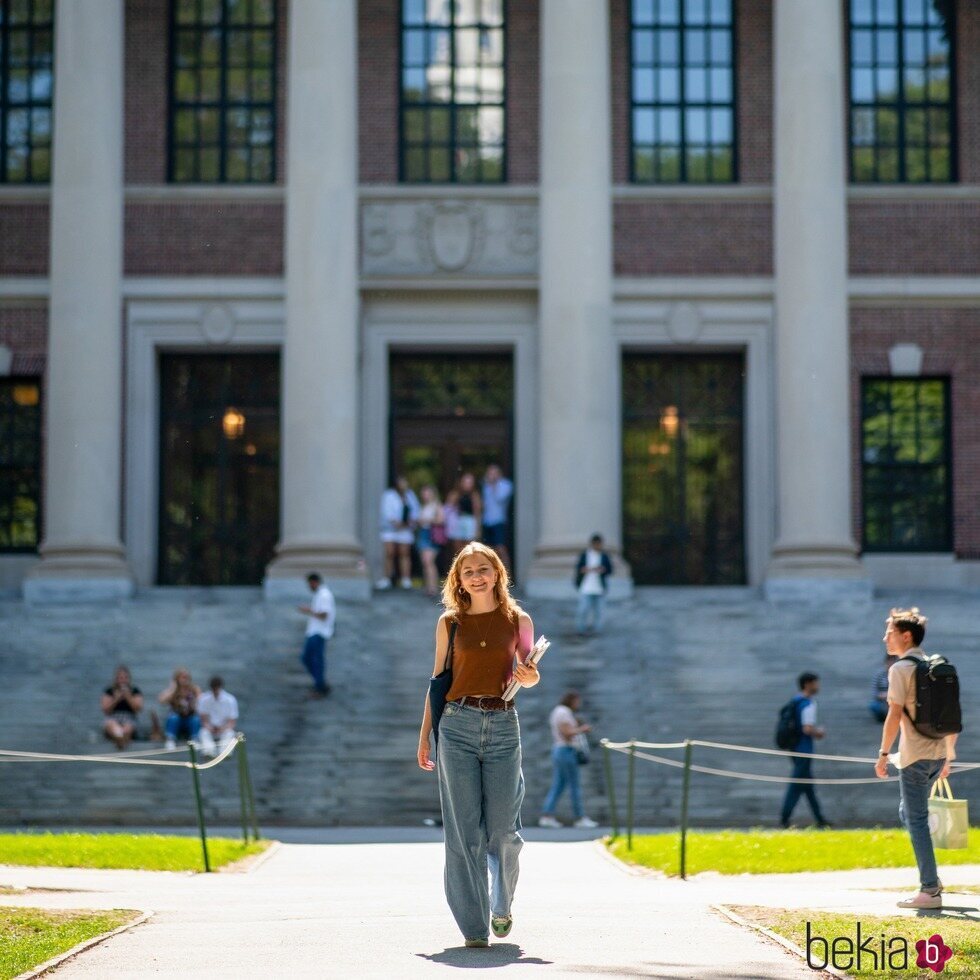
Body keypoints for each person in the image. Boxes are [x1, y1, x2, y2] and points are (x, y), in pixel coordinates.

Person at [417, 542, 540, 948]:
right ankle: (473, 928)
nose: (477, 576)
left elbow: (530, 674)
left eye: (483, 568)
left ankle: (501, 903)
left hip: (504, 725)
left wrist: (527, 676)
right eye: (468, 571)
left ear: (497, 573)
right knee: (463, 832)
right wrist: (425, 736)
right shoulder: (449, 623)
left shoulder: (517, 619)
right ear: (458, 579)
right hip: (456, 726)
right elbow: (438, 683)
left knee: (504, 830)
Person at [875, 607, 958, 909]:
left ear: (905, 636)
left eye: (890, 632)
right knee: (908, 814)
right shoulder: (934, 665)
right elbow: (951, 714)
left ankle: (929, 890)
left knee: (917, 819)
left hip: (914, 758)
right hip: (936, 755)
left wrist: (883, 753)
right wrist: (949, 754)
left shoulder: (900, 669)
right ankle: (931, 876)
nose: (885, 637)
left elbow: (894, 714)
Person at [538, 691, 598, 829]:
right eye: (577, 701)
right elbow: (567, 733)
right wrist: (582, 728)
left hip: (560, 751)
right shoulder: (563, 712)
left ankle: (547, 815)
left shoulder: (558, 711)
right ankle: (580, 818)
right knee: (574, 785)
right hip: (566, 751)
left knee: (558, 785)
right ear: (571, 700)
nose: (578, 704)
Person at [779, 672, 831, 829]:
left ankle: (820, 818)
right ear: (808, 684)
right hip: (804, 749)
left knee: (807, 785)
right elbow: (807, 728)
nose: (818, 686)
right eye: (816, 683)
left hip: (795, 747)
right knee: (797, 784)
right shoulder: (807, 703)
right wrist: (819, 733)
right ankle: (784, 817)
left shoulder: (795, 700)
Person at [377, 476, 419, 590]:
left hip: (405, 529)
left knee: (404, 553)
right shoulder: (389, 495)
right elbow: (386, 512)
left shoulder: (410, 496)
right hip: (390, 529)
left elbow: (415, 510)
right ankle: (387, 578)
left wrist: (410, 521)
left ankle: (405, 579)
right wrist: (395, 522)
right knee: (389, 553)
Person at [298, 572, 335, 698]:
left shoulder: (324, 595)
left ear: (314, 582)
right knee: (308, 658)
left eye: (310, 584)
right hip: (315, 631)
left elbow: (324, 614)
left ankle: (320, 686)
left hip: (319, 632)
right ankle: (320, 683)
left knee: (314, 659)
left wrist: (308, 610)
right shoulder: (321, 594)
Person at [574, 534, 613, 635]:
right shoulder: (585, 555)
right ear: (592, 544)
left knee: (599, 611)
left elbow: (610, 570)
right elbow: (579, 568)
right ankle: (581, 629)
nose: (598, 546)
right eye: (596, 544)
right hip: (586, 587)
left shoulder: (604, 556)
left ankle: (597, 630)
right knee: (583, 610)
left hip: (599, 588)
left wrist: (602, 570)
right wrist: (586, 569)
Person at [101, 666, 144, 751]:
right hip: (113, 717)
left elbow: (137, 709)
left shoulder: (135, 691)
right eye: (121, 678)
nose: (123, 680)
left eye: (125, 678)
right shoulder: (109, 691)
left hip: (129, 717)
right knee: (112, 724)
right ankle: (119, 736)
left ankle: (121, 737)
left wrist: (128, 697)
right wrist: (116, 699)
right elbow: (106, 710)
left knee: (128, 727)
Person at [158, 668, 201, 750]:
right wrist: (173, 688)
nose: (185, 680)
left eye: (187, 677)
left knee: (195, 719)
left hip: (189, 718)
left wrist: (194, 703)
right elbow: (161, 700)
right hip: (177, 719)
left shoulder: (194, 689)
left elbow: (201, 701)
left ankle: (195, 739)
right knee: (173, 718)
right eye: (183, 677)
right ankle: (170, 740)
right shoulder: (173, 691)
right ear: (177, 679)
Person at [197, 676, 239, 758]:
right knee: (203, 732)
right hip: (210, 728)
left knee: (230, 733)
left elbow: (232, 721)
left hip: (224, 728)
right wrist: (209, 727)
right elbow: (203, 718)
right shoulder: (204, 699)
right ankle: (209, 752)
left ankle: (225, 752)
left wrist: (223, 728)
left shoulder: (230, 700)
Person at [482, 464, 514, 573]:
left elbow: (500, 498)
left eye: (494, 473)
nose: (491, 476)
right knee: (490, 549)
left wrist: (494, 484)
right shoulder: (485, 486)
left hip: (499, 521)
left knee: (501, 548)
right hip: (487, 521)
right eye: (490, 473)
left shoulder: (505, 485)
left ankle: (507, 573)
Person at [416, 484, 445, 597]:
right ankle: (429, 586)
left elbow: (441, 520)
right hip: (423, 534)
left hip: (431, 535)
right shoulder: (423, 506)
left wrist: (427, 520)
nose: (425, 495)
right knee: (425, 562)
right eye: (424, 492)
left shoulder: (436, 505)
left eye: (427, 492)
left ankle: (433, 588)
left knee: (429, 561)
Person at [450, 473, 482, 557]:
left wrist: (477, 528)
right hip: (458, 520)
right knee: (458, 548)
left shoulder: (474, 495)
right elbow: (449, 507)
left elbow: (477, 512)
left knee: (469, 548)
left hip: (470, 521)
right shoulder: (456, 494)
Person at [868, 653, 891, 722]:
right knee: (874, 705)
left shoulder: (899, 675)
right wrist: (883, 695)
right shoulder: (879, 675)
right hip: (882, 700)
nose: (891, 664)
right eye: (889, 661)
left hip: (895, 700)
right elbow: (874, 692)